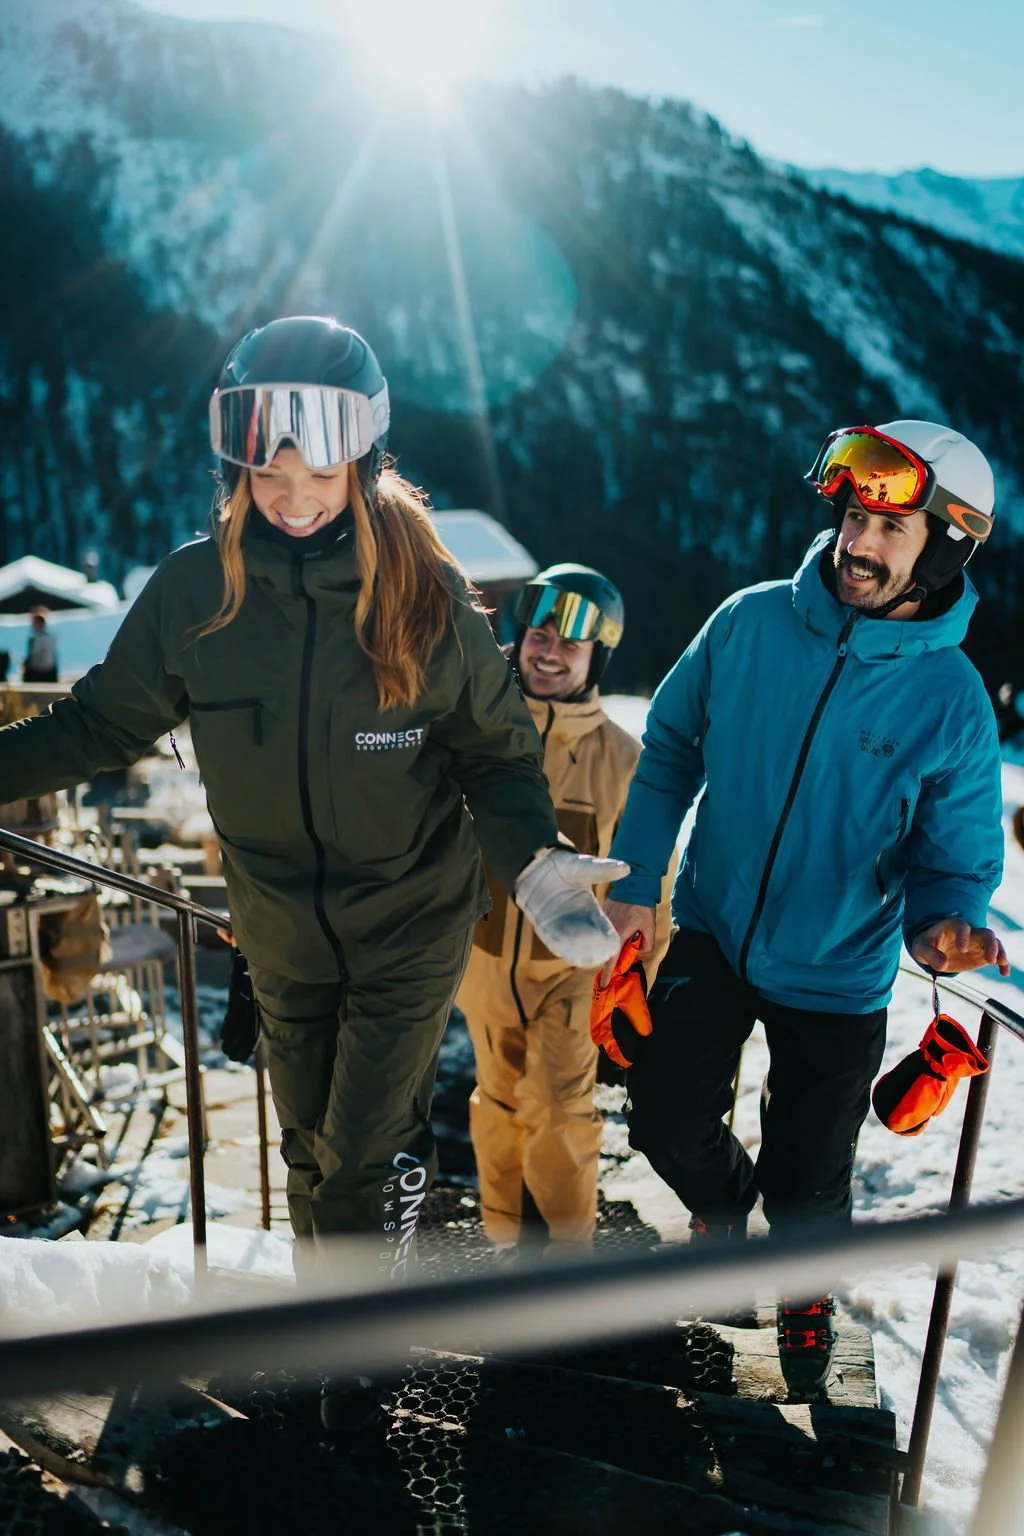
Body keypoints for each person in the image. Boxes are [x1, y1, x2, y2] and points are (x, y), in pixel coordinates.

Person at [0, 314, 626, 1427]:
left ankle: (356, 1349)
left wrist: (530, 862)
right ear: (236, 459)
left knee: (350, 1155)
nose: (293, 492)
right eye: (268, 463)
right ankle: (331, 1310)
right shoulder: (200, 593)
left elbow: (493, 750)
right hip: (278, 929)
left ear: (365, 458)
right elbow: (99, 725)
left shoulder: (426, 592)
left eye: (320, 464)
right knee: (304, 1143)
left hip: (407, 923)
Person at [601, 419, 1009, 1396]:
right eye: (853, 516)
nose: (856, 544)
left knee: (810, 1183)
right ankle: (723, 1216)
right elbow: (666, 757)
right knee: (660, 1116)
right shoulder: (746, 624)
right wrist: (629, 892)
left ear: (943, 549)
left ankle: (802, 1293)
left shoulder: (950, 702)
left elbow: (953, 865)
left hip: (838, 972)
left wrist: (944, 926)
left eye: (889, 530)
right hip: (712, 928)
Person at [457, 564, 676, 1259]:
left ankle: (565, 1259)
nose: (549, 651)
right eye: (540, 634)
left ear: (596, 659)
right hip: (487, 964)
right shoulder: (477, 735)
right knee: (497, 1109)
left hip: (573, 977)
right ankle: (505, 1245)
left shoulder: (622, 760)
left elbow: (648, 889)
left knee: (558, 1110)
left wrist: (633, 984)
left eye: (570, 644)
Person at [22, 609, 58, 683]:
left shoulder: (46, 638)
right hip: (38, 673)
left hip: (42, 673)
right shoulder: (34, 638)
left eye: (34, 623)